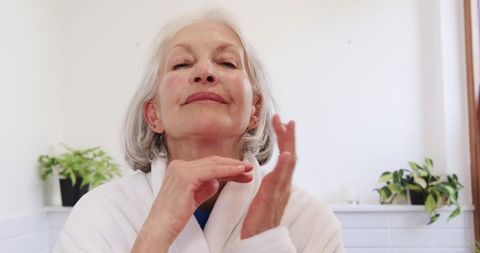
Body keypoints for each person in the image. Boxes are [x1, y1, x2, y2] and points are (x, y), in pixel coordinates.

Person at [54, 9, 345, 253]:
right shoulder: (99, 214)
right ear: (154, 114)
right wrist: (153, 237)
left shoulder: (309, 219)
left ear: (255, 109)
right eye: (181, 63)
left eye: (227, 62)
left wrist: (264, 242)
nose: (205, 72)